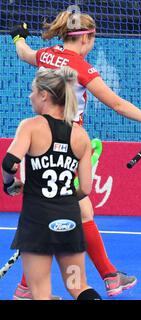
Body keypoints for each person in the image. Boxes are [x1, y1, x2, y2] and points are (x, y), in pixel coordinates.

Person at [9, 10, 141, 298]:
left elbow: (24, 53)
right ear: (86, 37)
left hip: (41, 142)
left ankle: (34, 286)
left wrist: (17, 36)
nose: (93, 45)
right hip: (68, 145)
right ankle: (106, 277)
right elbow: (118, 105)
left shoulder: (47, 55)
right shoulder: (81, 69)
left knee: (73, 211)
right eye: (93, 39)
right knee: (77, 211)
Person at [2, 67, 101, 300]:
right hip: (69, 222)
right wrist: (62, 195)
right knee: (78, 287)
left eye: (33, 91)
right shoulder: (80, 135)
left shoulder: (31, 126)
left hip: (37, 222)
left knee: (41, 293)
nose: (30, 96)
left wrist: (10, 184)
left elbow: (9, 163)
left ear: (45, 95)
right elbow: (85, 188)